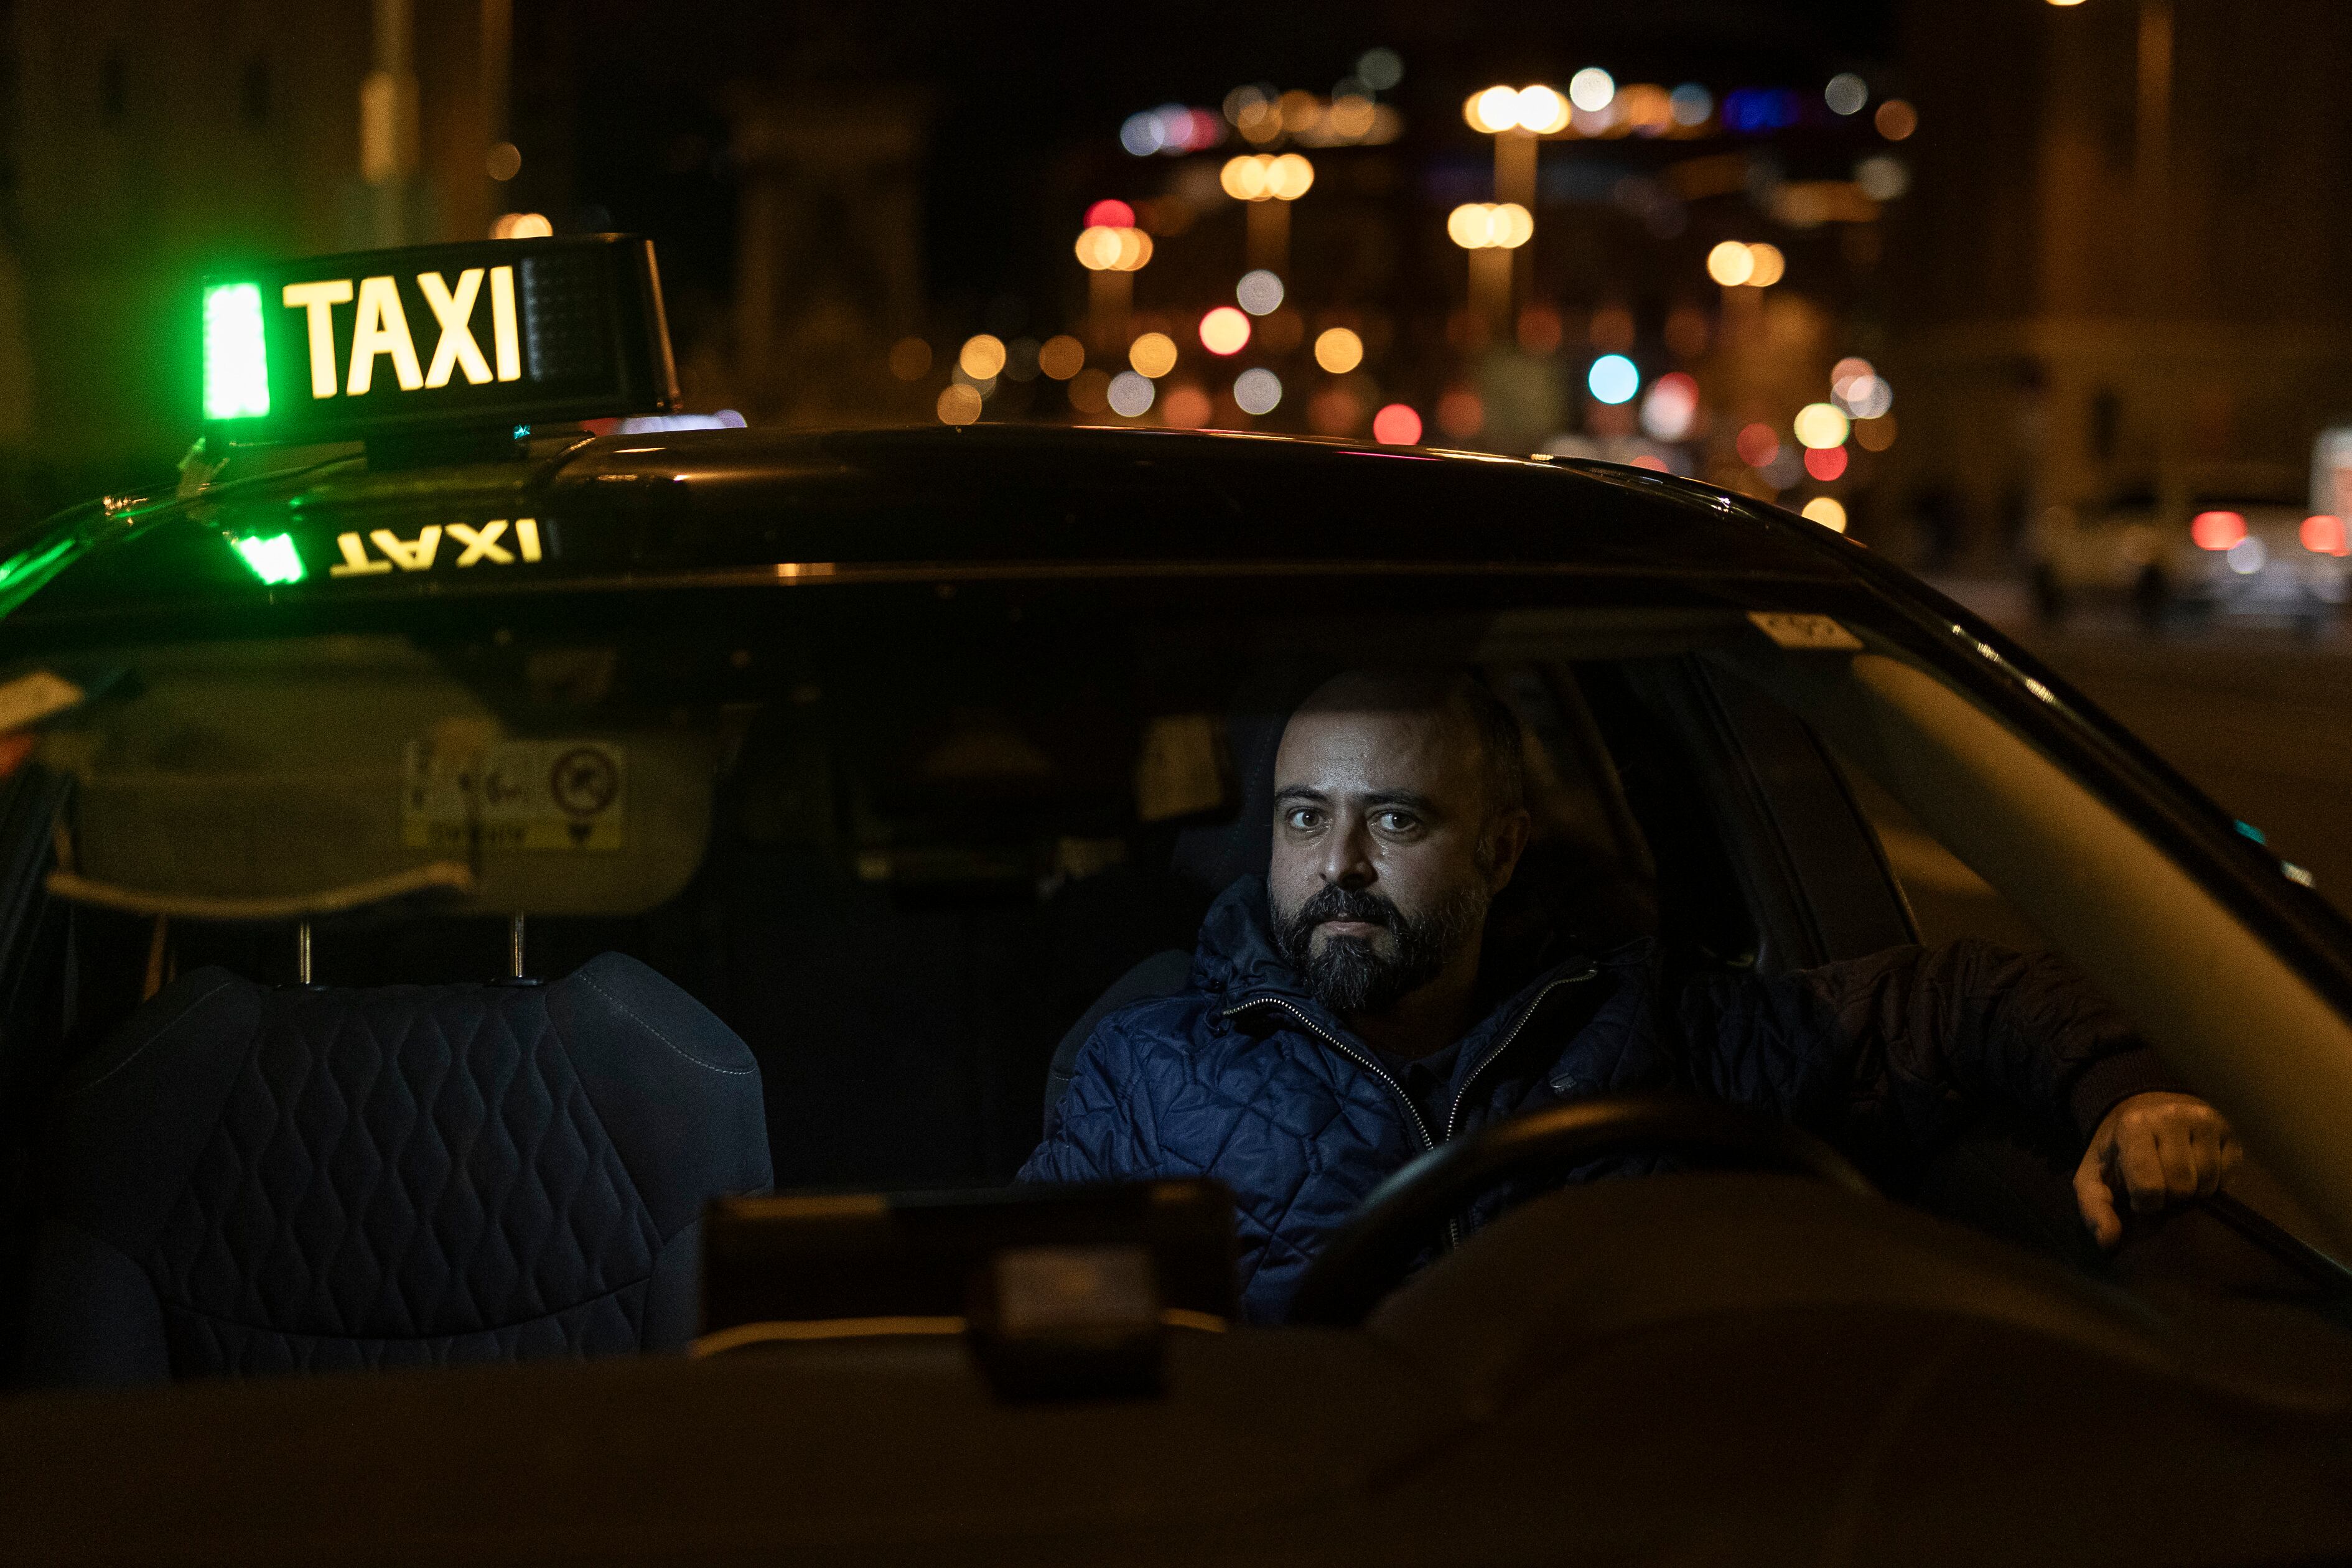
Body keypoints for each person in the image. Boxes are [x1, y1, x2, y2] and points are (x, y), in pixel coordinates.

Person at [1020, 668, 2241, 1323]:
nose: (1339, 866)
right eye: (1304, 819)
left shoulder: (1654, 1024)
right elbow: (1040, 1314)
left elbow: (1967, 997)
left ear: (1501, 852)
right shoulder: (1148, 1073)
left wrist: (2127, 1097)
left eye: (1395, 820)